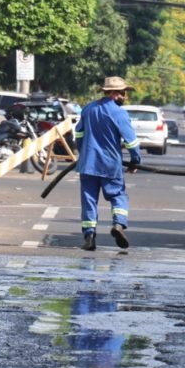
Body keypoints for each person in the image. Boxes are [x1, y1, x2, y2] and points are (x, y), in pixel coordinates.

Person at [74, 76, 141, 251]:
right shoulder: (119, 113)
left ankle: (89, 237)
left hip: (88, 164)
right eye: (123, 93)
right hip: (110, 163)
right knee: (118, 196)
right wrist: (135, 161)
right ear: (115, 93)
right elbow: (132, 142)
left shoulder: (88, 109)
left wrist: (83, 153)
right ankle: (118, 225)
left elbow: (78, 135)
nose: (125, 97)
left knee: (89, 200)